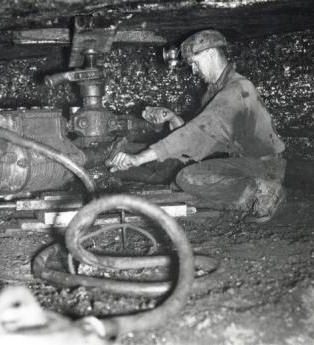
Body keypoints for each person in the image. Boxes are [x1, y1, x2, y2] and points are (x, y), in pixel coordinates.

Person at [109, 29, 286, 222]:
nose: (194, 70)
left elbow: (195, 133)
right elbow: (199, 134)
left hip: (261, 164)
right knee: (183, 185)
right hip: (240, 162)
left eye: (195, 62)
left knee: (188, 179)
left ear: (210, 54)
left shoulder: (236, 90)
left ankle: (263, 192)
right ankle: (251, 193)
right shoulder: (216, 90)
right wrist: (172, 118)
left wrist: (139, 158)